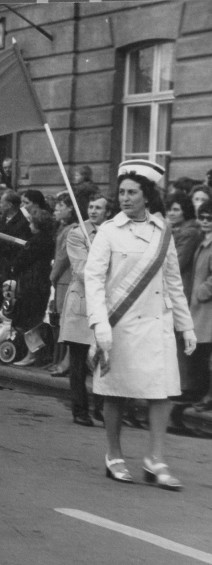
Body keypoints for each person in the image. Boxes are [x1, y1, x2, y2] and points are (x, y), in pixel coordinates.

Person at [85, 159, 196, 490]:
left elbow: (173, 280)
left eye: (132, 192)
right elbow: (93, 279)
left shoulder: (163, 231)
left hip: (156, 324)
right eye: (121, 192)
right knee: (116, 392)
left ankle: (155, 459)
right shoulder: (108, 231)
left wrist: (185, 325)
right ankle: (114, 455)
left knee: (161, 393)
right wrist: (100, 324)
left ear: (147, 195)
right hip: (118, 323)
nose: (125, 197)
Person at [59, 193, 113, 425]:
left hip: (107, 304)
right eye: (90, 206)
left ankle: (100, 409)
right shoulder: (77, 234)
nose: (93, 211)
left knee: (104, 360)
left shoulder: (115, 233)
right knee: (79, 362)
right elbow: (82, 270)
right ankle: (80, 410)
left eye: (98, 208)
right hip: (82, 304)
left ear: (107, 212)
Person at [11, 208, 55, 366]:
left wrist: (14, 268)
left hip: (32, 283)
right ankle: (36, 353)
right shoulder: (50, 240)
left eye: (31, 222)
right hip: (42, 282)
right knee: (35, 319)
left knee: (28, 320)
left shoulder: (36, 241)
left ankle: (33, 354)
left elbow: (21, 261)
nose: (29, 225)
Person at [47, 192, 82, 376]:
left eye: (61, 206)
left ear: (71, 208)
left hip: (65, 280)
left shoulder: (72, 229)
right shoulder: (65, 228)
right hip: (63, 280)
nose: (56, 210)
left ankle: (66, 361)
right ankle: (61, 359)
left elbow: (63, 256)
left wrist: (52, 275)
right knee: (60, 321)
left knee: (65, 321)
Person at [186, 201, 212, 411]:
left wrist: (201, 292)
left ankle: (206, 397)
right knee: (201, 354)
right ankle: (201, 394)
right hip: (199, 308)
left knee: (206, 355)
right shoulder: (204, 241)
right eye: (202, 217)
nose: (205, 221)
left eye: (209, 218)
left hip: (207, 308)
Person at [0, 190, 32, 281]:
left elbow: (20, 247)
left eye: (2, 203)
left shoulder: (23, 223)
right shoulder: (2, 219)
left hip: (11, 266)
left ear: (9, 205)